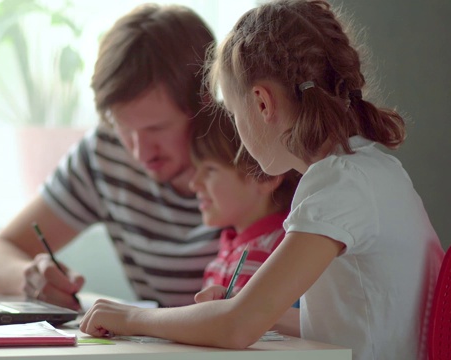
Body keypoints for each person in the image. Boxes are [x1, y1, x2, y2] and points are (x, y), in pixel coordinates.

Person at [79, 1, 445, 359]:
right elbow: (342, 320)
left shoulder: (339, 183)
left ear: (262, 103)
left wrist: (132, 317)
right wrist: (241, 305)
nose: (238, 135)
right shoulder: (372, 169)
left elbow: (237, 328)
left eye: (235, 115)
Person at [0, 3, 222, 311]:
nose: (139, 152)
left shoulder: (258, 161)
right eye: (123, 128)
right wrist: (29, 279)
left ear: (206, 100)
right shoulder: (105, 151)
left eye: (157, 128)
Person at [188, 113, 299, 296]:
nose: (194, 183)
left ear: (265, 178)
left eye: (210, 169)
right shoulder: (232, 247)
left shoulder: (278, 251)